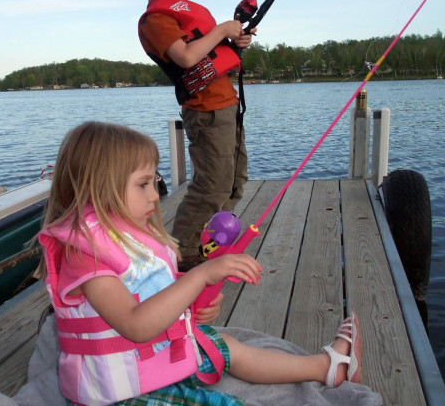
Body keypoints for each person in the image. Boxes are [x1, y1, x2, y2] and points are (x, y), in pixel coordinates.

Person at [36, 122, 362, 406]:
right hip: (122, 394)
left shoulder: (123, 236)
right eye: (143, 183)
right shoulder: (87, 253)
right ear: (102, 185)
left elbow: (150, 292)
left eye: (155, 181)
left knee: (224, 345)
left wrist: (190, 308)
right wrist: (201, 275)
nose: (155, 194)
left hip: (158, 358)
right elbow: (137, 326)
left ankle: (328, 367)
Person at [137, 0, 253, 271]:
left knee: (234, 180)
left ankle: (211, 240)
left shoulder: (187, 18)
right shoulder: (157, 20)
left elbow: (207, 51)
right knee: (210, 184)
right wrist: (221, 31)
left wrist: (234, 41)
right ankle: (184, 253)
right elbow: (187, 57)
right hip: (205, 112)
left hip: (227, 106)